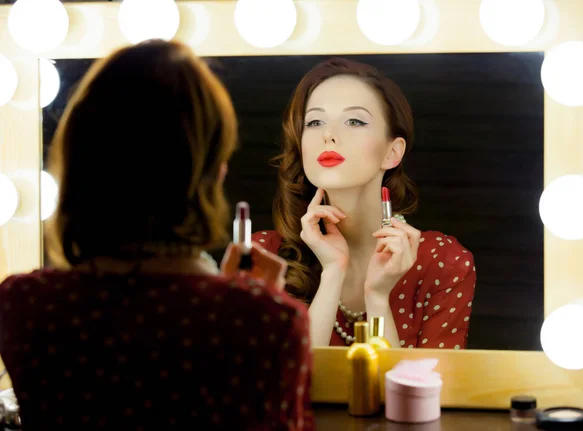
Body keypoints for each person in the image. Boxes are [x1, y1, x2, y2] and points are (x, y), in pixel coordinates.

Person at [0, 40, 312, 430]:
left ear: (75, 165)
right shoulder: (265, 323)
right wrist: (251, 305)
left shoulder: (24, 306)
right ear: (214, 174)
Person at [253, 58, 476, 349]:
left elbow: (413, 392)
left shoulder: (443, 262)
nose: (328, 135)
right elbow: (285, 387)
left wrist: (378, 297)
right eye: (315, 121)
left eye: (354, 121)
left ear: (392, 152)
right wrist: (333, 272)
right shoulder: (262, 257)